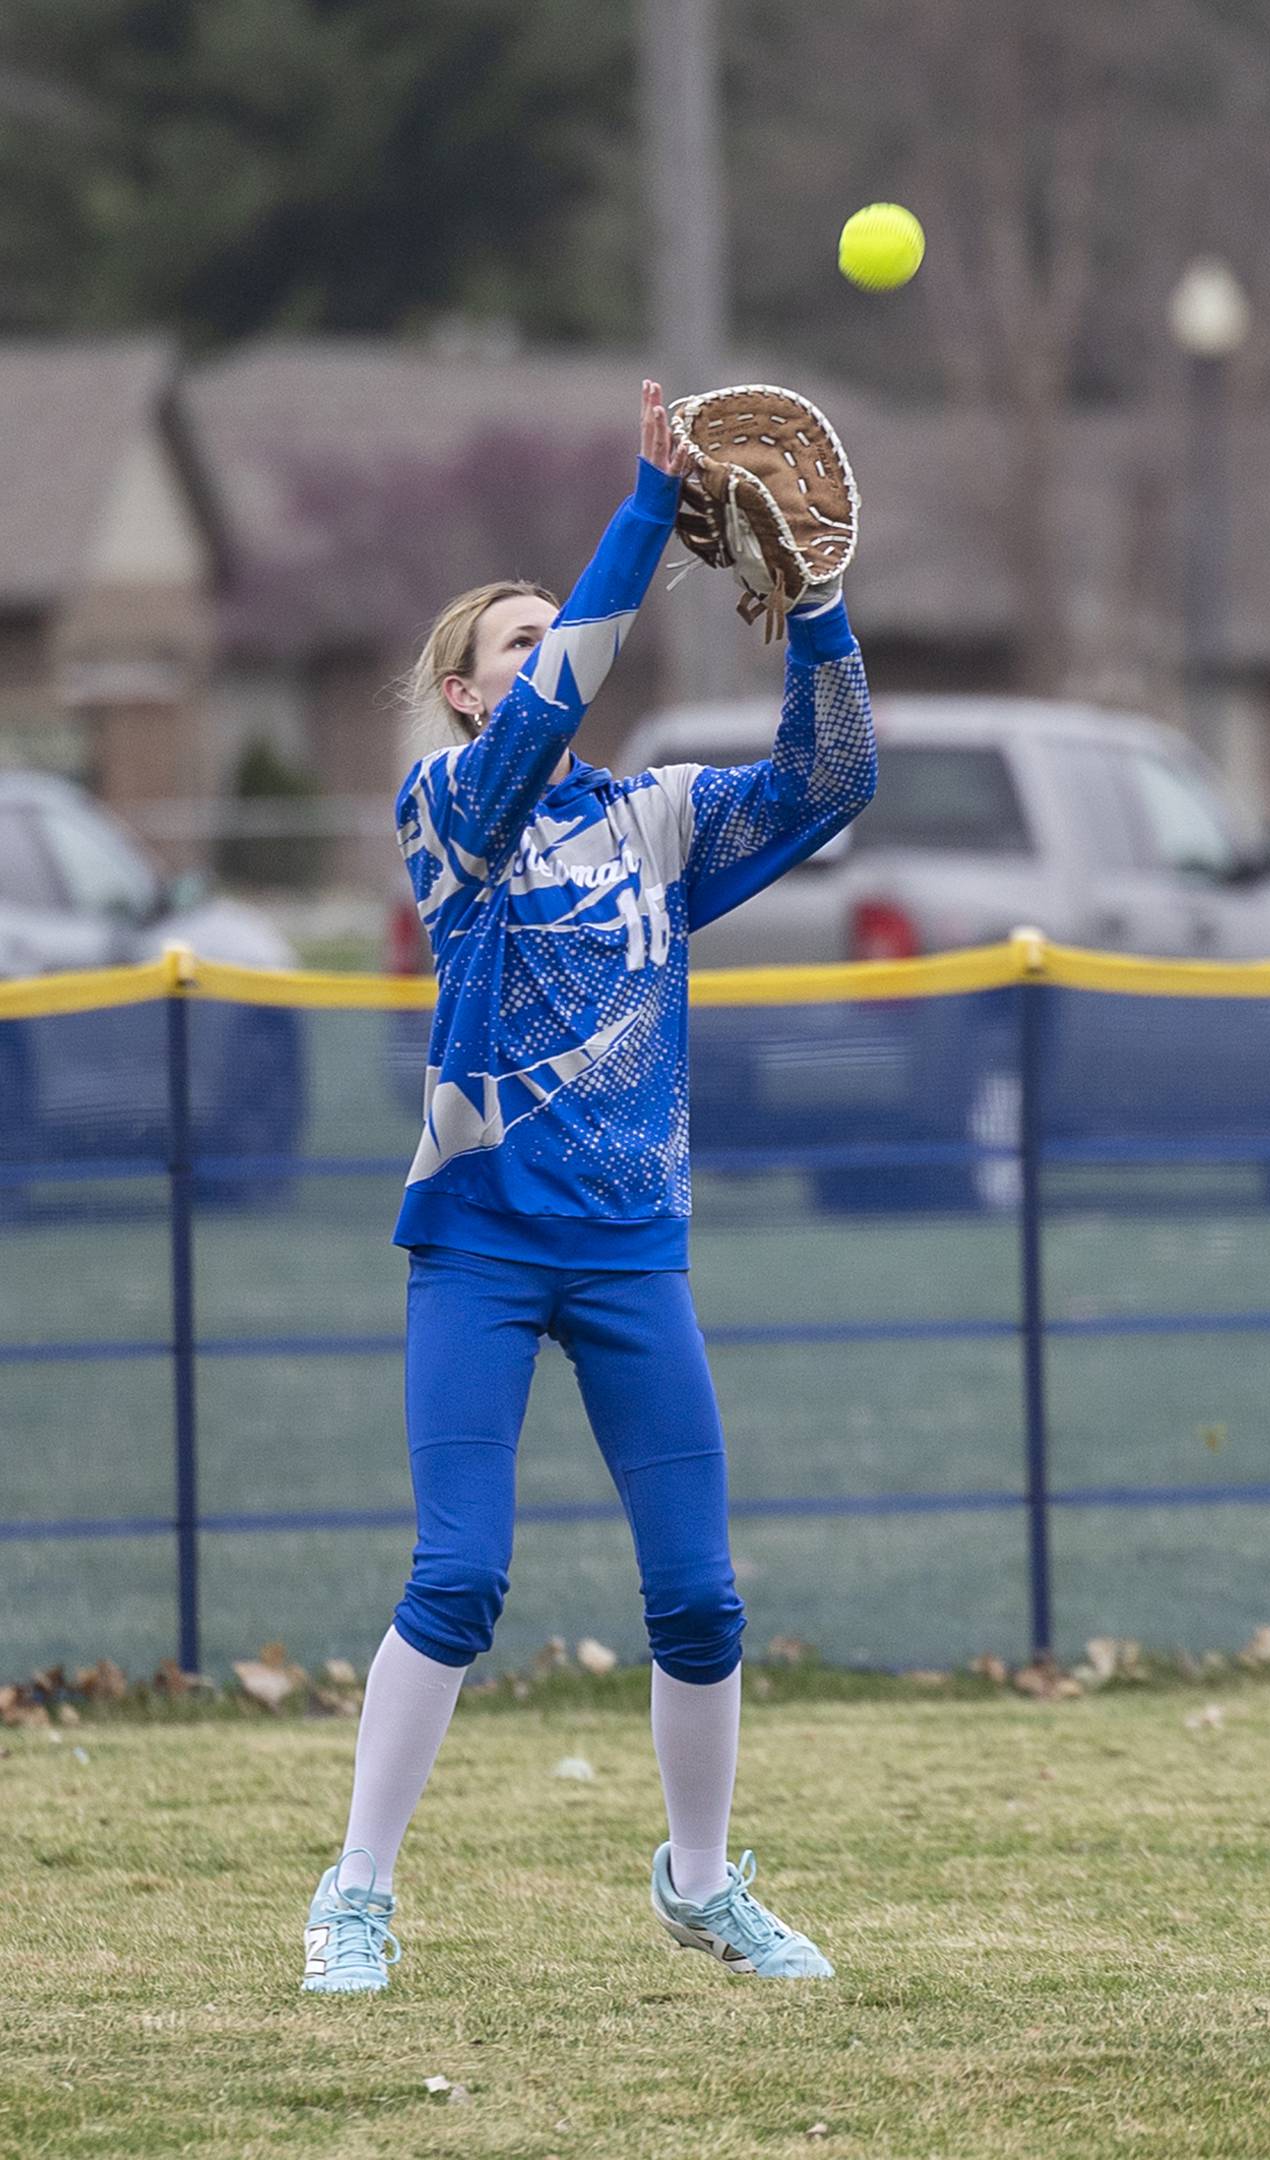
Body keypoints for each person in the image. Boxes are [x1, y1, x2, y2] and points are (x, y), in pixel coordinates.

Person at [300, 378, 877, 1993]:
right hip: (481, 1249)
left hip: (633, 1252)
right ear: (468, 696)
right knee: (461, 1575)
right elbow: (558, 702)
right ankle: (355, 1891)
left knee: (699, 1596)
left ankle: (698, 1888)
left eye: (554, 632)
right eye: (514, 644)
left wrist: (820, 610)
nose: (544, 656)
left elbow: (833, 781)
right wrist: (639, 517)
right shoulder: (449, 820)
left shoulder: (654, 826)